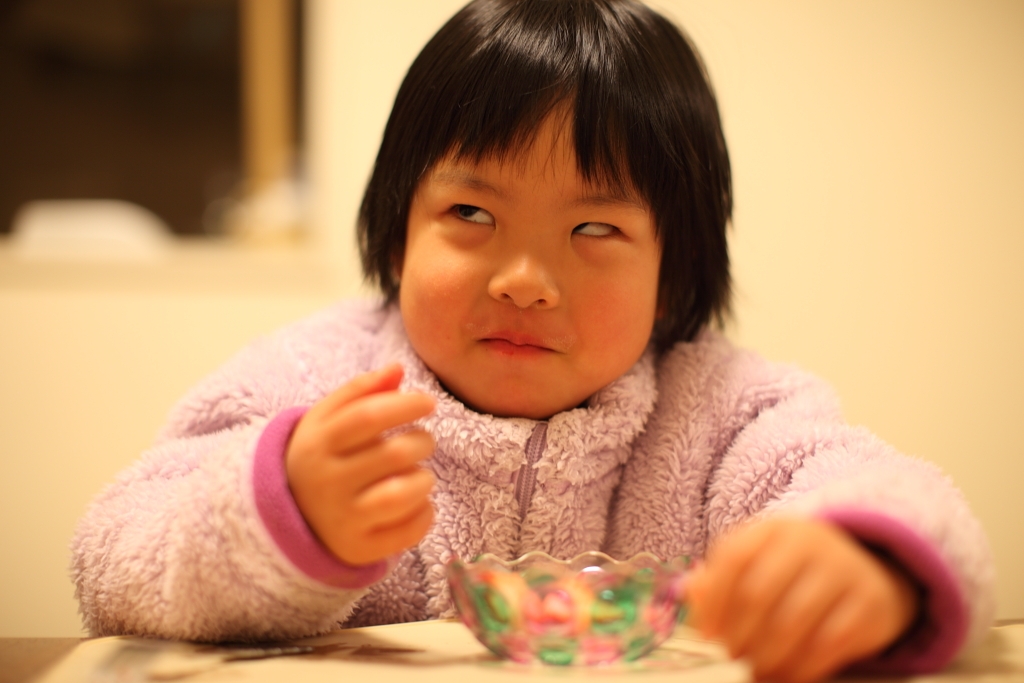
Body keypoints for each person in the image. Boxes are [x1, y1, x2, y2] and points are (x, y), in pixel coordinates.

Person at [71, 1, 994, 681]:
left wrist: (867, 564)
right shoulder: (311, 383)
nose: (524, 279)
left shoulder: (726, 410)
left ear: (673, 274)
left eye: (594, 230)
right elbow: (115, 551)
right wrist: (282, 508)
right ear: (396, 235)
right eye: (471, 214)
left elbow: (885, 487)